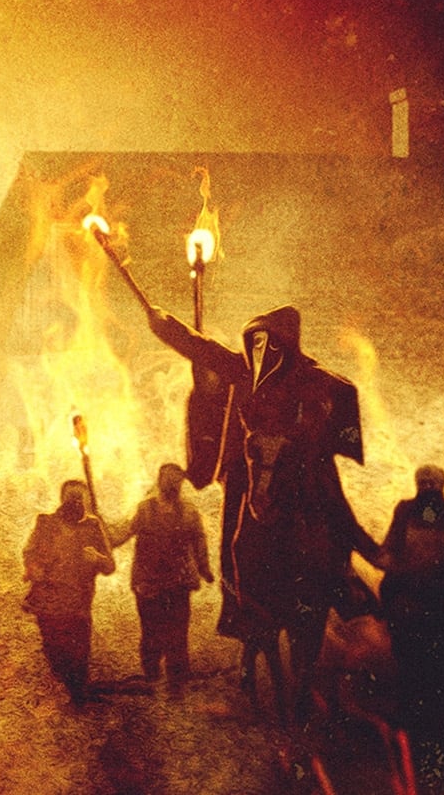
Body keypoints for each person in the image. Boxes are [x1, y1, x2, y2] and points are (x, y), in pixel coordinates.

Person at [149, 304, 380, 719]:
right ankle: (244, 620)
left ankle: (345, 582)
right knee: (237, 547)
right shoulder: (242, 369)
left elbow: (339, 396)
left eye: (267, 343)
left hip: (300, 467)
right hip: (250, 470)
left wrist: (319, 435)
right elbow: (200, 347)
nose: (259, 351)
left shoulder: (311, 377)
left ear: (285, 344)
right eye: (254, 343)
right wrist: (164, 324)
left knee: (329, 516)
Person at [379, 465, 444, 723]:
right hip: (408, 597)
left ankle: (438, 714)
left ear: (441, 485)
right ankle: (409, 711)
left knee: (441, 658)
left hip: (443, 598)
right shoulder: (405, 510)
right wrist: (387, 560)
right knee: (407, 657)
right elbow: (390, 544)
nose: (426, 487)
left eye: (431, 483)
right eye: (422, 482)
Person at [108, 463, 212, 687]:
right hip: (148, 583)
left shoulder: (189, 512)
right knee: (151, 631)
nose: (172, 485)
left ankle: (177, 679)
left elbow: (199, 540)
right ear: (160, 481)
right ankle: (152, 677)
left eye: (176, 481)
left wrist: (204, 568)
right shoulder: (145, 509)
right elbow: (122, 533)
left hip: (178, 582)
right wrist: (102, 533)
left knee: (178, 632)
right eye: (168, 480)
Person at [23, 479, 115, 704]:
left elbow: (109, 565)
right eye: (71, 497)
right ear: (62, 499)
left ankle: (78, 697)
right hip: (49, 603)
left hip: (78, 604)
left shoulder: (93, 526)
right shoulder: (46, 523)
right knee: (55, 652)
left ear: (86, 501)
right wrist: (34, 568)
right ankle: (64, 689)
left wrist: (97, 558)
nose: (75, 501)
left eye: (79, 497)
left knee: (79, 653)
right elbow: (29, 552)